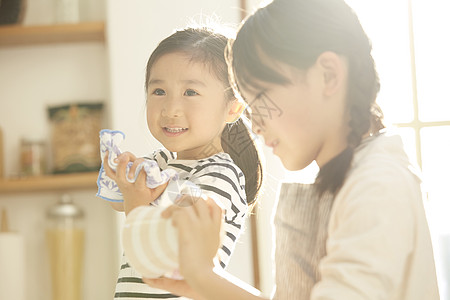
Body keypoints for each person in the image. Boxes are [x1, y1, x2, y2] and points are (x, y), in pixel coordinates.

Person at [142, 0, 441, 299]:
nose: (255, 124)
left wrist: (205, 278)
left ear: (328, 75)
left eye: (261, 97)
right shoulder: (356, 176)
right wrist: (203, 281)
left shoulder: (377, 185)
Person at [102, 26, 263, 299]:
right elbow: (117, 201)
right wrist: (122, 177)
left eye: (190, 92)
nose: (171, 109)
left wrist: (136, 201)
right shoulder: (161, 162)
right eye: (159, 91)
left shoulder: (221, 175)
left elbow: (168, 248)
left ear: (233, 107)